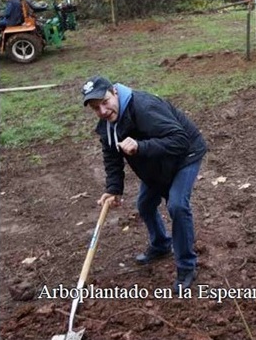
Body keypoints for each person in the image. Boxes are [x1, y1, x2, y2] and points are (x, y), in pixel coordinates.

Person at [82, 76, 207, 293]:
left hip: (186, 154)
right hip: (158, 161)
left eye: (104, 102)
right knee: (145, 204)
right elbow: (112, 156)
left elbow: (180, 140)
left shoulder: (144, 107)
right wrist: (114, 189)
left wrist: (140, 146)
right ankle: (161, 244)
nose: (102, 111)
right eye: (95, 108)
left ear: (114, 92)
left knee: (177, 205)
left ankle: (187, 265)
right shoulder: (107, 125)